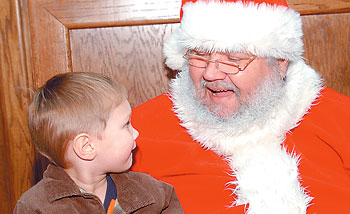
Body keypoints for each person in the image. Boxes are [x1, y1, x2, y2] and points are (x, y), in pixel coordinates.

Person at [131, 0, 350, 213]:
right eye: (199, 55)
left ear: (280, 62)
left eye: (233, 58)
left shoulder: (341, 119)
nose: (210, 73)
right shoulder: (133, 134)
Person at [14, 72, 183, 213]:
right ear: (87, 146)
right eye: (126, 125)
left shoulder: (155, 193)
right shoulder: (35, 207)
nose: (136, 133)